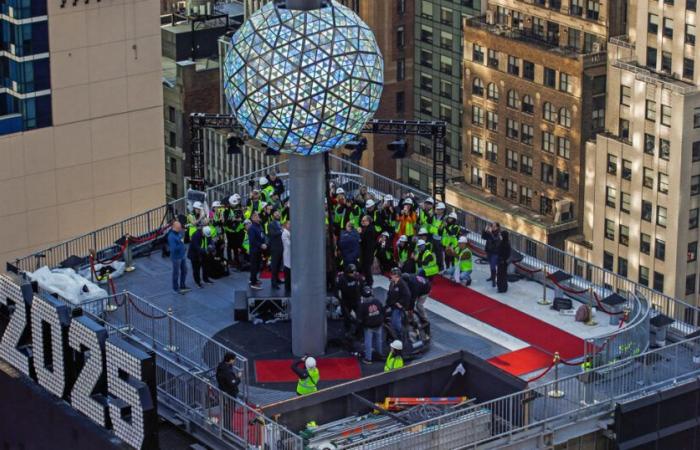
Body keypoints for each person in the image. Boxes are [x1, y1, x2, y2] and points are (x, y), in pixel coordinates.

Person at [358, 286, 384, 364]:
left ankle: (368, 359)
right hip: (378, 324)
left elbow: (360, 318)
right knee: (378, 340)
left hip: (369, 326)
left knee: (368, 342)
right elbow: (382, 310)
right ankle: (380, 355)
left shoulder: (363, 305)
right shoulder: (377, 301)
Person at [336, 264, 363, 332]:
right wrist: (341, 300)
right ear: (348, 272)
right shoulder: (342, 279)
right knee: (347, 318)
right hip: (346, 301)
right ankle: (348, 331)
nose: (353, 273)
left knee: (359, 317)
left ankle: (359, 332)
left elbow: (362, 287)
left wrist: (361, 296)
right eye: (352, 272)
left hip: (356, 300)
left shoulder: (358, 277)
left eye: (354, 271)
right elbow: (338, 290)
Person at [386, 267, 411, 337]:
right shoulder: (392, 283)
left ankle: (401, 335)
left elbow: (407, 295)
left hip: (398, 306)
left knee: (395, 323)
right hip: (391, 303)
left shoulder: (402, 284)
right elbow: (390, 293)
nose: (390, 275)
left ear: (396, 275)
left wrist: (400, 303)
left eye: (392, 274)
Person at [167, 221, 190, 294]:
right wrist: (181, 245)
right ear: (174, 228)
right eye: (179, 228)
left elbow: (181, 241)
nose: (180, 229)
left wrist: (182, 246)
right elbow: (173, 249)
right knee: (176, 273)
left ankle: (182, 285)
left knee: (184, 270)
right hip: (176, 257)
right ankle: (176, 288)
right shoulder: (171, 236)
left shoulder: (178, 233)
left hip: (182, 255)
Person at [225, 195, 245, 269]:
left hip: (237, 230)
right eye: (233, 204)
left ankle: (236, 260)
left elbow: (242, 218)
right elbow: (225, 222)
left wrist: (239, 219)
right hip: (229, 231)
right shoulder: (226, 210)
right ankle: (230, 261)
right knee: (230, 246)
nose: (235, 205)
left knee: (236, 246)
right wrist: (233, 220)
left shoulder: (238, 209)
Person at [248, 211, 267, 290]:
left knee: (258, 265)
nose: (258, 217)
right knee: (254, 266)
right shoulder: (252, 228)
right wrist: (261, 245)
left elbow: (262, 235)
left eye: (258, 216)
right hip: (254, 250)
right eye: (256, 216)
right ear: (252, 218)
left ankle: (254, 279)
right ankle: (253, 283)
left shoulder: (259, 226)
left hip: (259, 250)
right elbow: (252, 240)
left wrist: (264, 242)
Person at [267, 209, 284, 289]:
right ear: (273, 215)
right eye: (276, 214)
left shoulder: (279, 223)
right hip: (275, 247)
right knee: (274, 266)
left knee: (278, 265)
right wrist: (281, 231)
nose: (278, 215)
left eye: (279, 213)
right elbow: (272, 234)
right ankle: (273, 283)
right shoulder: (271, 224)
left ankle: (277, 279)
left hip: (280, 247)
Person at [359, 215, 377, 287]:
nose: (362, 222)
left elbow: (366, 241)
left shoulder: (370, 229)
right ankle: (367, 280)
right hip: (365, 252)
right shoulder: (367, 228)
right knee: (365, 268)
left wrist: (360, 234)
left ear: (368, 221)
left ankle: (369, 282)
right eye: (362, 221)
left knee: (367, 268)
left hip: (368, 252)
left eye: (364, 221)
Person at [482, 222, 501, 287]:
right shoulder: (490, 232)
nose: (492, 227)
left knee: (493, 266)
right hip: (489, 251)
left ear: (497, 227)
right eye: (492, 226)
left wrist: (490, 233)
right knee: (491, 265)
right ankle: (491, 277)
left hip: (495, 252)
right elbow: (483, 237)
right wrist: (484, 230)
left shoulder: (498, 234)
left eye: (494, 226)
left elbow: (496, 241)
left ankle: (494, 280)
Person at [282, 221, 291, 294]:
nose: (290, 225)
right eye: (288, 224)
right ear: (285, 225)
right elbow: (288, 244)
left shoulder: (289, 232)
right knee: (287, 270)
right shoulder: (285, 233)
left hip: (290, 254)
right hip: (288, 253)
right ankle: (287, 287)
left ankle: (289, 285)